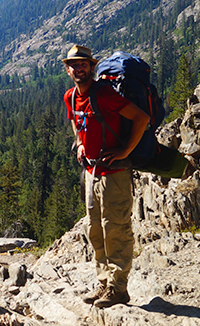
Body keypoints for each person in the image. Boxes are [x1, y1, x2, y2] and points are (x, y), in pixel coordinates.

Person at [62, 44, 149, 308]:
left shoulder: (105, 94)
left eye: (83, 64)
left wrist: (125, 150)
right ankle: (103, 284)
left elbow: (141, 118)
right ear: (68, 69)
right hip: (91, 172)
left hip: (114, 174)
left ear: (92, 66)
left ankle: (118, 289)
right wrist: (79, 143)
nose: (79, 69)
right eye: (74, 65)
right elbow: (76, 122)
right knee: (95, 231)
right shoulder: (70, 96)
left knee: (117, 230)